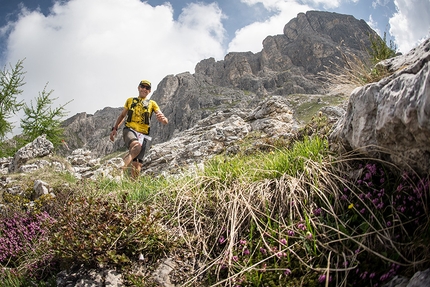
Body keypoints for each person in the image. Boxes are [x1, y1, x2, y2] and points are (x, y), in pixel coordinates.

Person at [110, 80, 168, 179]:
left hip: (143, 134)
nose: (144, 89)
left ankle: (133, 188)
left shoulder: (152, 103)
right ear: (138, 87)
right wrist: (115, 128)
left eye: (147, 88)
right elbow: (122, 115)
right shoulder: (130, 100)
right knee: (136, 147)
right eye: (142, 86)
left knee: (137, 165)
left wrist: (164, 120)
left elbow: (164, 118)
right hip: (130, 130)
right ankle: (117, 171)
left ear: (149, 91)